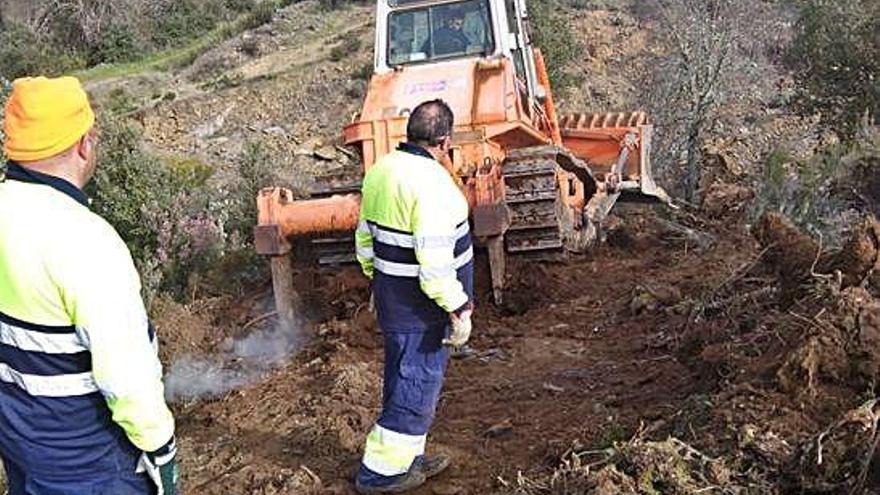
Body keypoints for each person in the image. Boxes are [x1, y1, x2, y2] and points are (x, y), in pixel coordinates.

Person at [0, 76, 179, 494]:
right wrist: (162, 450)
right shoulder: (85, 240)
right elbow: (125, 376)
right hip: (90, 459)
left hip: (20, 442)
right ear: (84, 145)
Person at [353, 99, 474, 494]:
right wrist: (458, 307)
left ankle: (408, 457)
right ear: (445, 140)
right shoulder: (435, 186)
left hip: (395, 299)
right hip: (422, 309)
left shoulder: (380, 171)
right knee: (416, 383)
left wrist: (378, 280)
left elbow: (365, 239)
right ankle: (379, 473)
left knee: (404, 377)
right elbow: (436, 265)